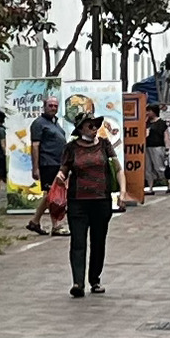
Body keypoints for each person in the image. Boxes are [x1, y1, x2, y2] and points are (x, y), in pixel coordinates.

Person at [61, 99, 120, 297]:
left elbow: (117, 169)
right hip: (78, 201)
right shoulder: (71, 148)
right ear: (80, 128)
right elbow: (63, 172)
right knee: (78, 241)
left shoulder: (104, 145)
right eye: (90, 125)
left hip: (101, 201)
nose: (94, 128)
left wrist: (123, 192)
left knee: (98, 241)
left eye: (96, 124)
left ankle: (94, 279)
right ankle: (78, 282)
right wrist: (56, 186)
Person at [31, 100, 69, 232]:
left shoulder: (55, 123)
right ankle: (56, 225)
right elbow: (35, 146)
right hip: (47, 163)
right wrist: (35, 168)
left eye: (55, 106)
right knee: (53, 195)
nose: (53, 108)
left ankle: (35, 221)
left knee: (50, 195)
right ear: (44, 107)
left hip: (58, 163)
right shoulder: (38, 124)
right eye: (50, 105)